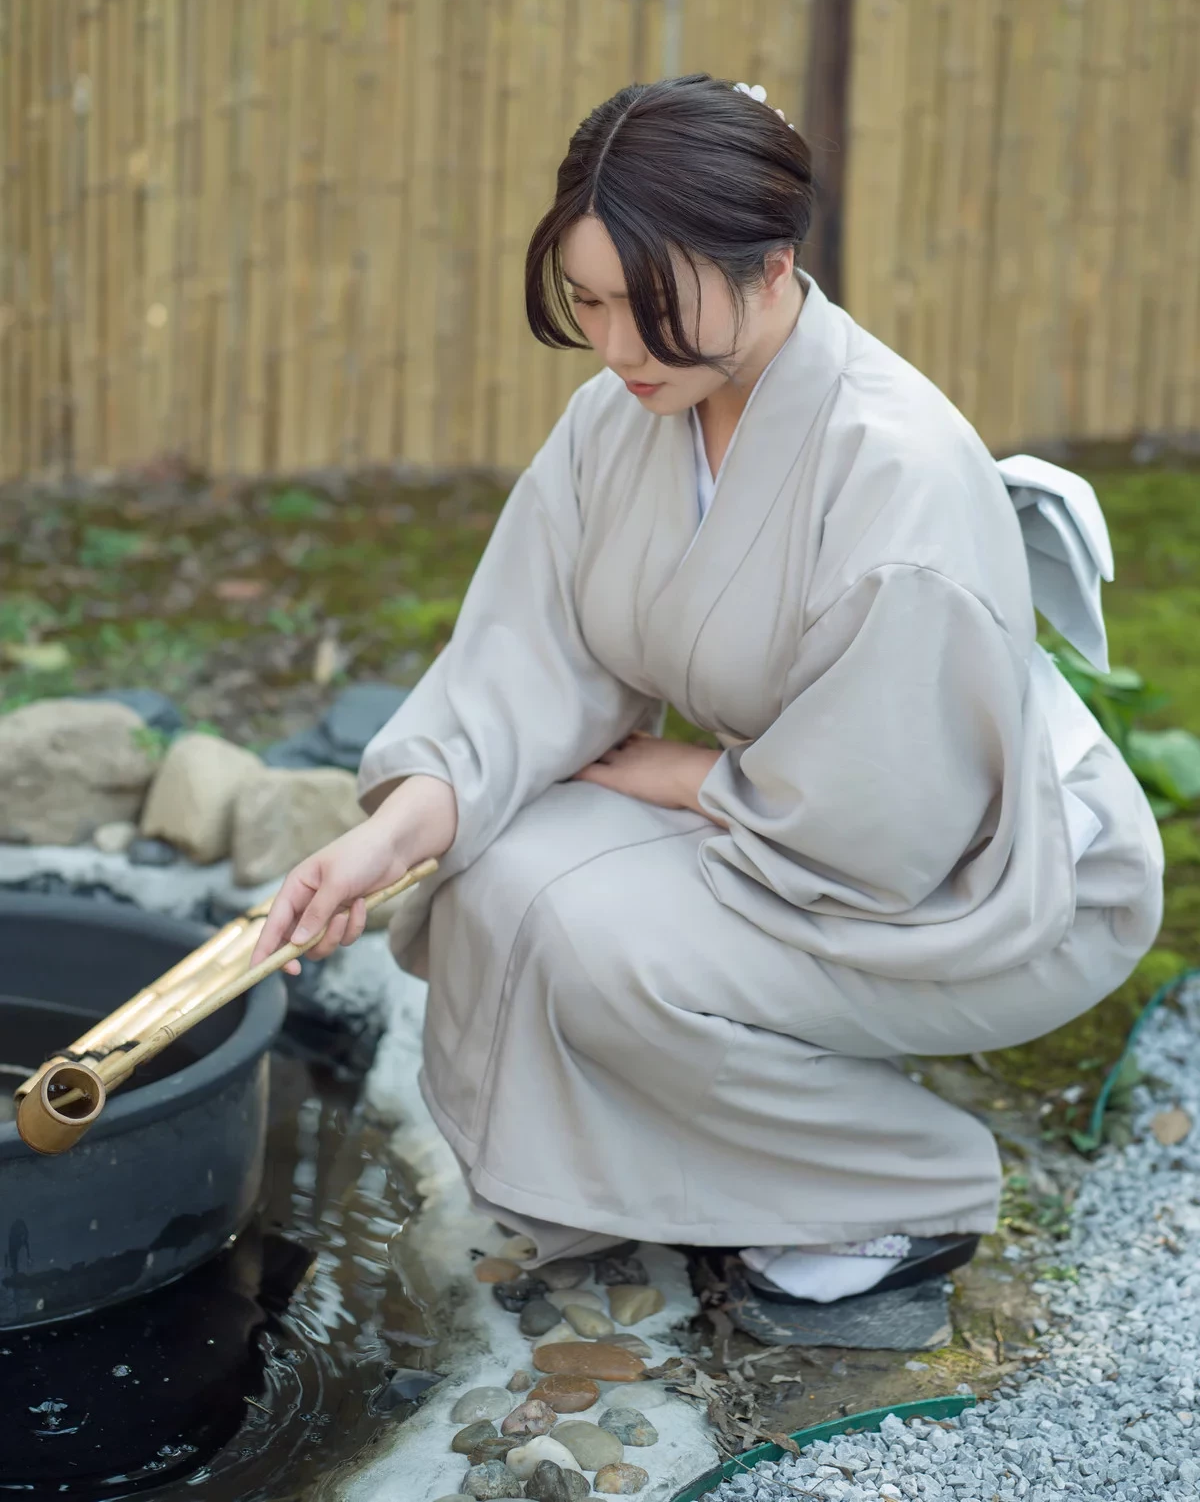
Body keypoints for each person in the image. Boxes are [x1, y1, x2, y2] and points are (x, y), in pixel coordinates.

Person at [251, 74, 1163, 1308]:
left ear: (775, 264)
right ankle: (672, 1183)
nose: (617, 348)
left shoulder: (896, 472)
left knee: (587, 926)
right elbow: (525, 662)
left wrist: (695, 775)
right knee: (491, 865)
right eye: (589, 304)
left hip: (987, 867)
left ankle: (900, 1188)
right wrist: (383, 838)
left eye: (652, 307)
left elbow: (891, 817)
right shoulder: (622, 417)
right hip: (804, 810)